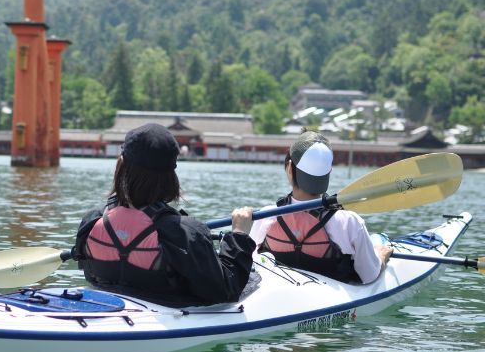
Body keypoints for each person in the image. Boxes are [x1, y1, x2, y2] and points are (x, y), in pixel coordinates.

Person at [73, 123, 257, 307]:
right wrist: (239, 236)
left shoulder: (93, 219)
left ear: (120, 166)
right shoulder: (185, 233)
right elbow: (225, 292)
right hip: (166, 310)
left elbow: (89, 273)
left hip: (110, 301)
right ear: (171, 176)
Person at [250, 131, 392, 284]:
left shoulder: (265, 216)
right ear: (329, 172)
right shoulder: (349, 222)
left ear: (290, 169)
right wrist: (381, 256)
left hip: (280, 296)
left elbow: (250, 262)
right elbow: (369, 276)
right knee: (380, 240)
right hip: (331, 299)